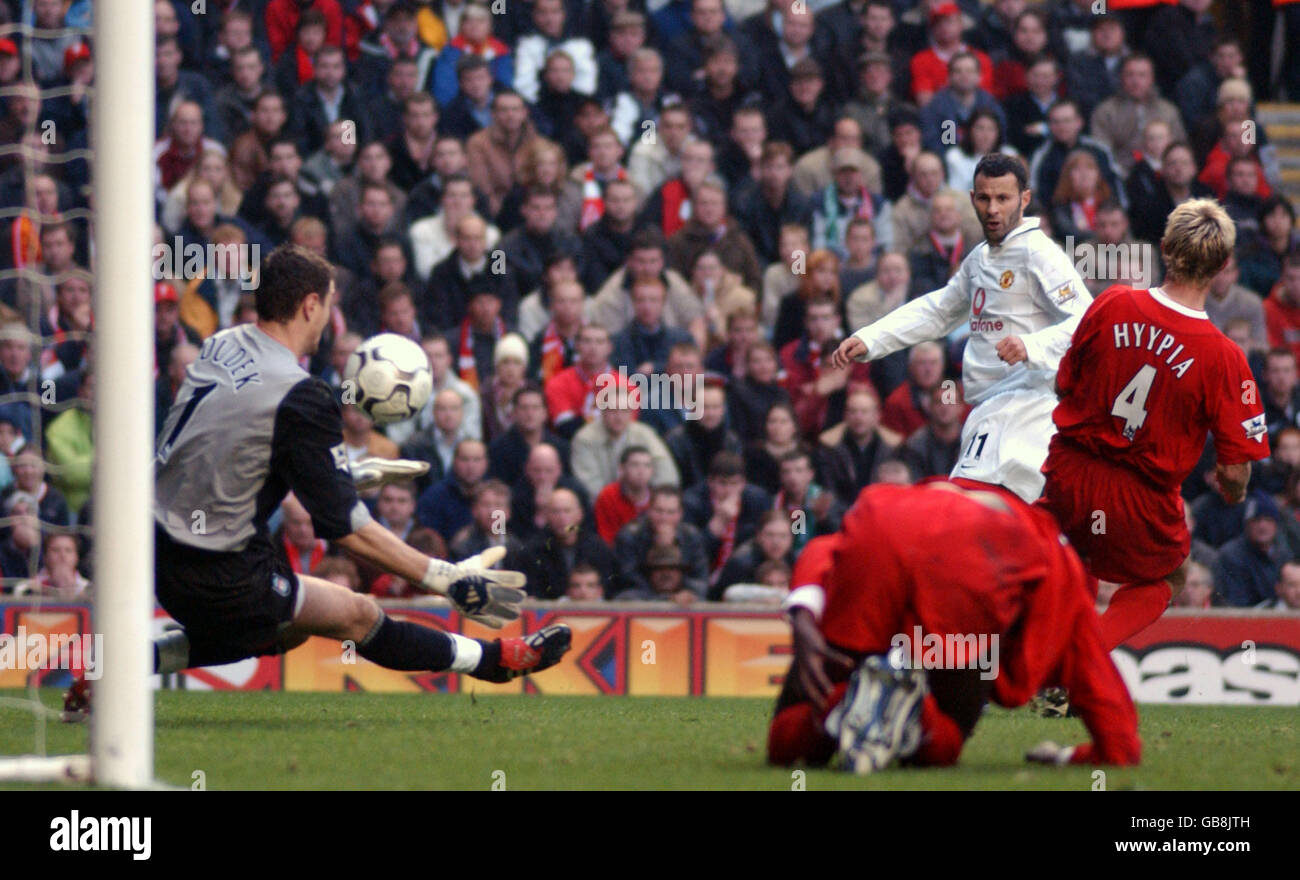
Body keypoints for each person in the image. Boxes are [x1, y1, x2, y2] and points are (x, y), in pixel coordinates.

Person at [65, 246, 572, 719]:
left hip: (153, 548)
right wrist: (445, 578)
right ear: (310, 305)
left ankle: (119, 670)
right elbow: (344, 529)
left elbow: (227, 449)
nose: (330, 317)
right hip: (217, 567)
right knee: (354, 614)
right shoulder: (302, 395)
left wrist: (340, 474)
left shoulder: (221, 345)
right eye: (329, 304)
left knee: (287, 629)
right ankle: (498, 660)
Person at [768, 481, 1141, 773]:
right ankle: (918, 715)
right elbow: (1114, 726)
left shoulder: (922, 495)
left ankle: (838, 706)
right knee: (939, 748)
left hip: (883, 521)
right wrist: (1075, 757)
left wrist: (803, 609)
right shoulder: (1056, 562)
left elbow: (823, 547)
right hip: (975, 560)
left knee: (785, 748)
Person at [1041, 199, 1270, 650]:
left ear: (1164, 249)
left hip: (1071, 469)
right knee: (1172, 573)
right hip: (1141, 496)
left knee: (1074, 549)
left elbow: (1063, 382)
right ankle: (1078, 660)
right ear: (1224, 266)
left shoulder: (1112, 302)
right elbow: (1233, 468)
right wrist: (1236, 493)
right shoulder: (1225, 357)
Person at [832, 153, 1092, 502]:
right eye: (984, 198)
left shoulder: (1039, 252)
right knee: (989, 514)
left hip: (1028, 405)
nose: (993, 209)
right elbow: (938, 310)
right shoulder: (981, 258)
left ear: (1024, 200)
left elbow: (1088, 323)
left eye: (1003, 198)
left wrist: (1032, 346)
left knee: (971, 506)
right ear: (972, 199)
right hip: (987, 408)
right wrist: (871, 338)